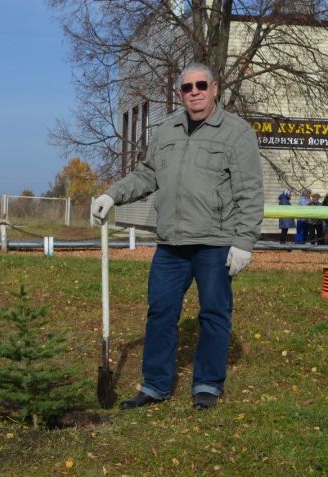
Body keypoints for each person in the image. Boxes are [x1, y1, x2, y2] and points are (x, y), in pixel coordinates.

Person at [91, 62, 264, 411]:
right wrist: (112, 195)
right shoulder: (167, 129)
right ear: (180, 93)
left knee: (214, 313)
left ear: (214, 88)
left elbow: (249, 191)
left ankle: (207, 385)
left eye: (201, 85)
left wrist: (244, 242)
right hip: (171, 243)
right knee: (160, 312)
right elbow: (146, 175)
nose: (195, 92)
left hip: (215, 241)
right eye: (187, 87)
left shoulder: (236, 132)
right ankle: (155, 385)